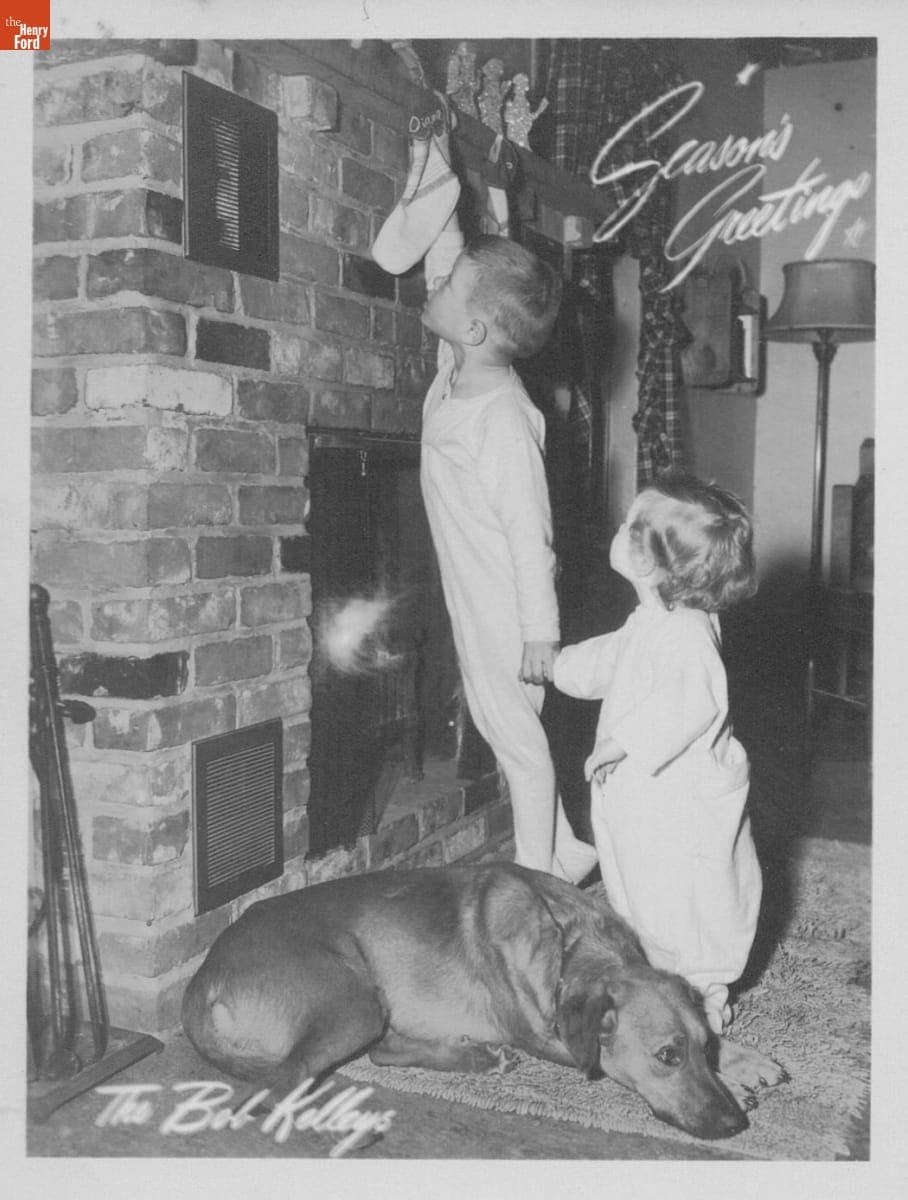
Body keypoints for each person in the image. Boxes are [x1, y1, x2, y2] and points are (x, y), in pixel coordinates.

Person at [373, 100, 598, 881]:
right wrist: (437, 169)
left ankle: (537, 876)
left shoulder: (503, 418)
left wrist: (541, 632)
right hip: (474, 595)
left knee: (516, 742)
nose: (435, 285)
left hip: (507, 606)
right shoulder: (460, 372)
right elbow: (448, 257)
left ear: (472, 332)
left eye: (449, 288)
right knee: (511, 732)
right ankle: (567, 846)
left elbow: (530, 531)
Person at [553, 473, 762, 1034]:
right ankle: (650, 978)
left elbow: (689, 700)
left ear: (645, 561)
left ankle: (702, 1000)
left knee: (685, 902)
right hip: (640, 797)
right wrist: (557, 666)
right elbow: (611, 659)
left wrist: (624, 741)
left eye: (627, 525)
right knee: (634, 889)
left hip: (681, 801)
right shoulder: (649, 617)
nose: (617, 529)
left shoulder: (690, 633)